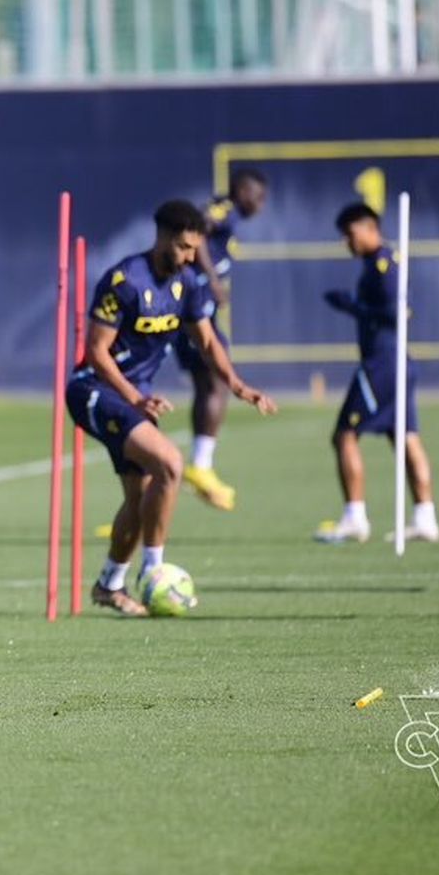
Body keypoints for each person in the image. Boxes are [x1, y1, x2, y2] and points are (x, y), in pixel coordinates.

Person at [67, 200, 277, 617]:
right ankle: (154, 573)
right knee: (171, 464)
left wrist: (237, 385)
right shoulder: (124, 280)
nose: (186, 257)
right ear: (161, 235)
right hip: (94, 390)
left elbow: (208, 340)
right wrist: (135, 398)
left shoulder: (189, 284)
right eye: (181, 247)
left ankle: (109, 584)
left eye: (193, 249)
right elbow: (95, 352)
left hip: (133, 398)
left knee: (141, 497)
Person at [314, 203, 439, 544]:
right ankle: (426, 517)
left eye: (351, 234)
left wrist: (351, 305)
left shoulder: (384, 264)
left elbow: (398, 311)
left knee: (344, 434)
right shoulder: (376, 263)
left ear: (371, 228)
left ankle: (355, 517)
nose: (347, 242)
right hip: (396, 361)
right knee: (404, 436)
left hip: (382, 363)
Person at [175, 168, 268, 511]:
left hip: (201, 308)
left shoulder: (230, 217)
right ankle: (200, 465)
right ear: (241, 190)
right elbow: (196, 225)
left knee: (209, 382)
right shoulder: (222, 210)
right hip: (193, 307)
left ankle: (201, 465)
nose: (260, 204)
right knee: (216, 377)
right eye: (256, 196)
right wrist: (211, 279)